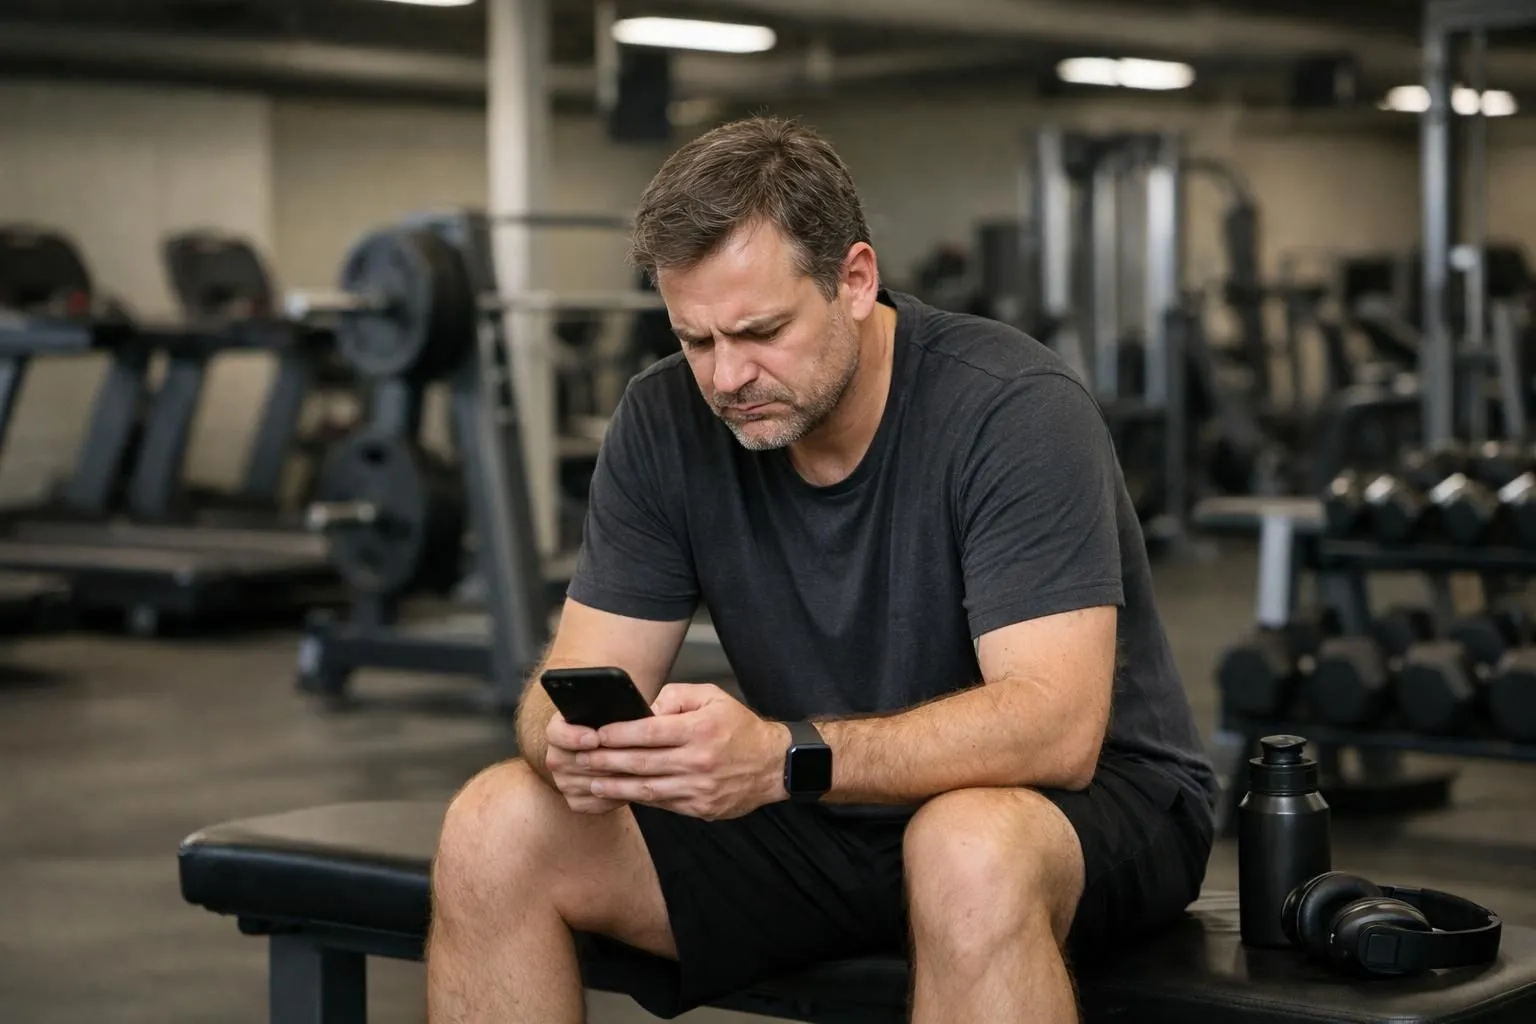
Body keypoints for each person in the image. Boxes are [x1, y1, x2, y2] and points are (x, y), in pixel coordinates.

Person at [427, 115, 1217, 1024]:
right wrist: (571, 745)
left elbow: (1056, 729)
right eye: (696, 341)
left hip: (1075, 807)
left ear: (855, 280)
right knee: (495, 825)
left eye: (760, 331)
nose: (727, 377)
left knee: (965, 847)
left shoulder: (1013, 408)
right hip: (823, 810)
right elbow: (565, 682)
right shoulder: (664, 421)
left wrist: (781, 758)